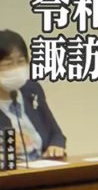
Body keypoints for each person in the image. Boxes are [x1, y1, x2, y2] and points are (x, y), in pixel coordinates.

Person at [0, 29, 66, 161]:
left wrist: (55, 146)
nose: (16, 69)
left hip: (42, 168)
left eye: (21, 62)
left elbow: (56, 134)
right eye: (8, 64)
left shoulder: (31, 90)